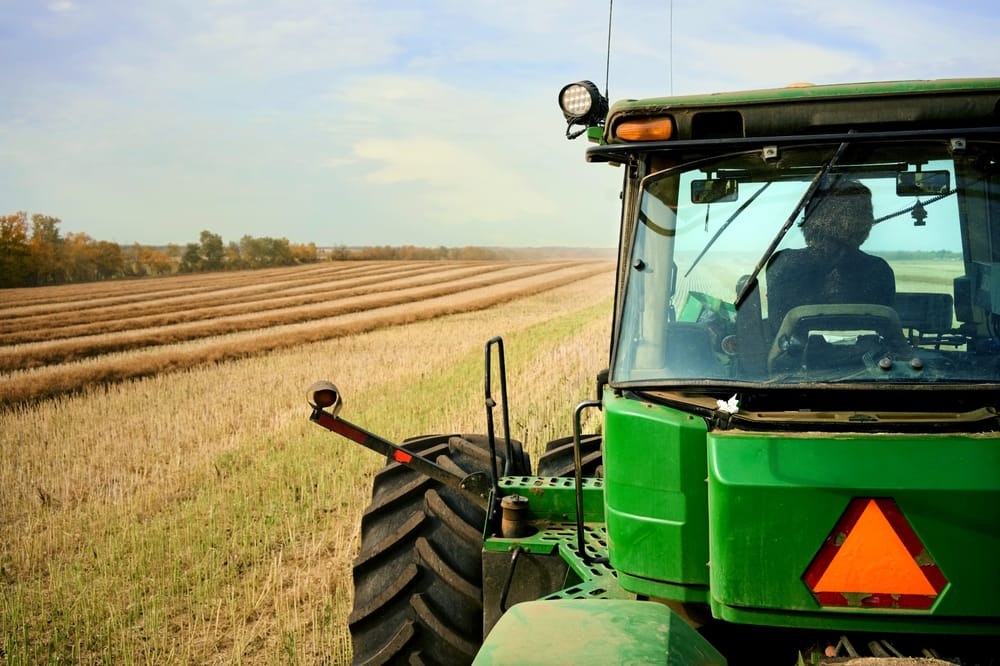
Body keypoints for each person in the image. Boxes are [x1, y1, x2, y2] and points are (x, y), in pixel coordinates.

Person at [766, 179, 896, 328]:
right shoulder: (878, 269)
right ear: (825, 218)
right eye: (858, 212)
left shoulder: (783, 262)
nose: (868, 219)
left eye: (866, 212)